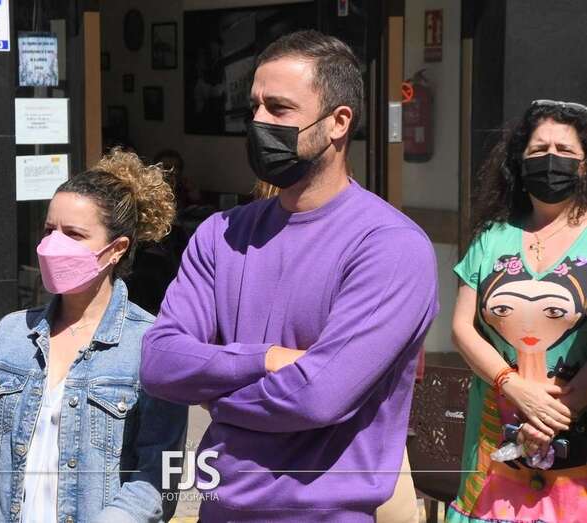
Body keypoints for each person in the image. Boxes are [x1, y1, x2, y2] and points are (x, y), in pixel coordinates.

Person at [140, 30, 439, 522]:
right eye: (254, 108)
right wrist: (267, 359)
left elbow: (317, 396)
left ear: (338, 122)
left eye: (279, 109)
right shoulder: (221, 233)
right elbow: (159, 362)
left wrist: (213, 391)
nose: (259, 122)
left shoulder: (389, 246)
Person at [0, 149, 188, 523]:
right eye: (50, 230)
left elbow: (157, 475)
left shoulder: (151, 346)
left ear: (116, 249)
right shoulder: (10, 335)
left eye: (74, 234)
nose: (53, 245)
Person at [449, 99, 587, 522]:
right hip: (493, 435)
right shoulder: (491, 238)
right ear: (519, 162)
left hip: (575, 440)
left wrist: (555, 413)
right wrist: (513, 386)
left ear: (584, 165)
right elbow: (462, 328)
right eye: (539, 149)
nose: (551, 159)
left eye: (565, 151)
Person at [254, 178, 421, 523]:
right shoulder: (375, 257)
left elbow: (210, 379)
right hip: (374, 463)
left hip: (278, 473)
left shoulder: (249, 266)